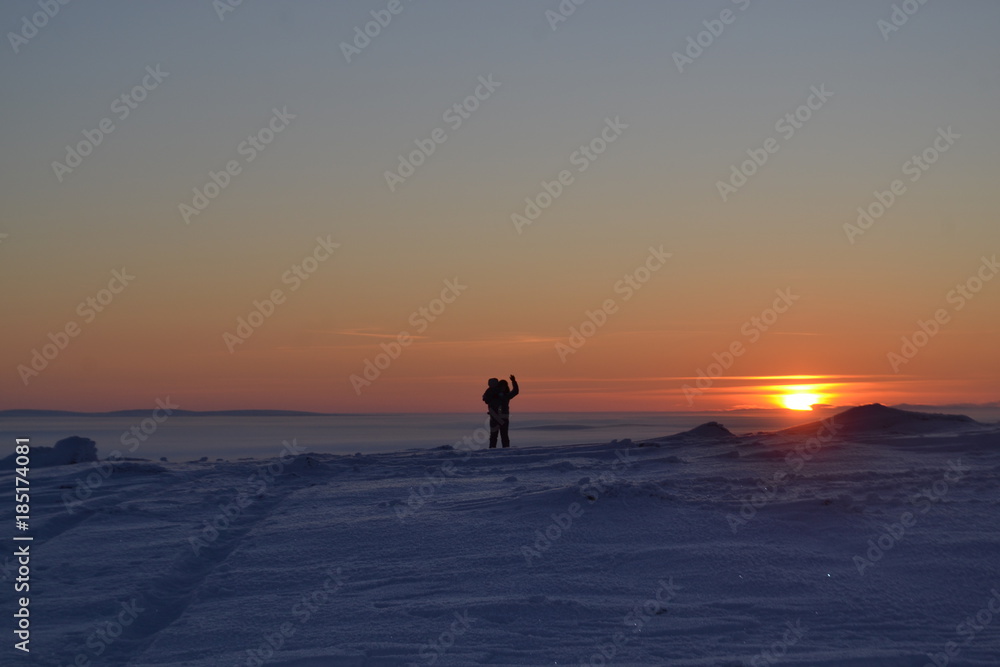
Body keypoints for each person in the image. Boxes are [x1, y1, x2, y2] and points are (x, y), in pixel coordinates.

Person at [483, 374, 519, 448]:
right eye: (501, 386)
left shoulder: (506, 396)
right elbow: (486, 399)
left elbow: (515, 391)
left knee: (504, 436)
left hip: (503, 419)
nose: (503, 387)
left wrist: (514, 381)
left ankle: (505, 450)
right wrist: (492, 393)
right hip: (494, 418)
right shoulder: (492, 394)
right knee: (493, 436)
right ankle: (492, 450)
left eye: (504, 386)